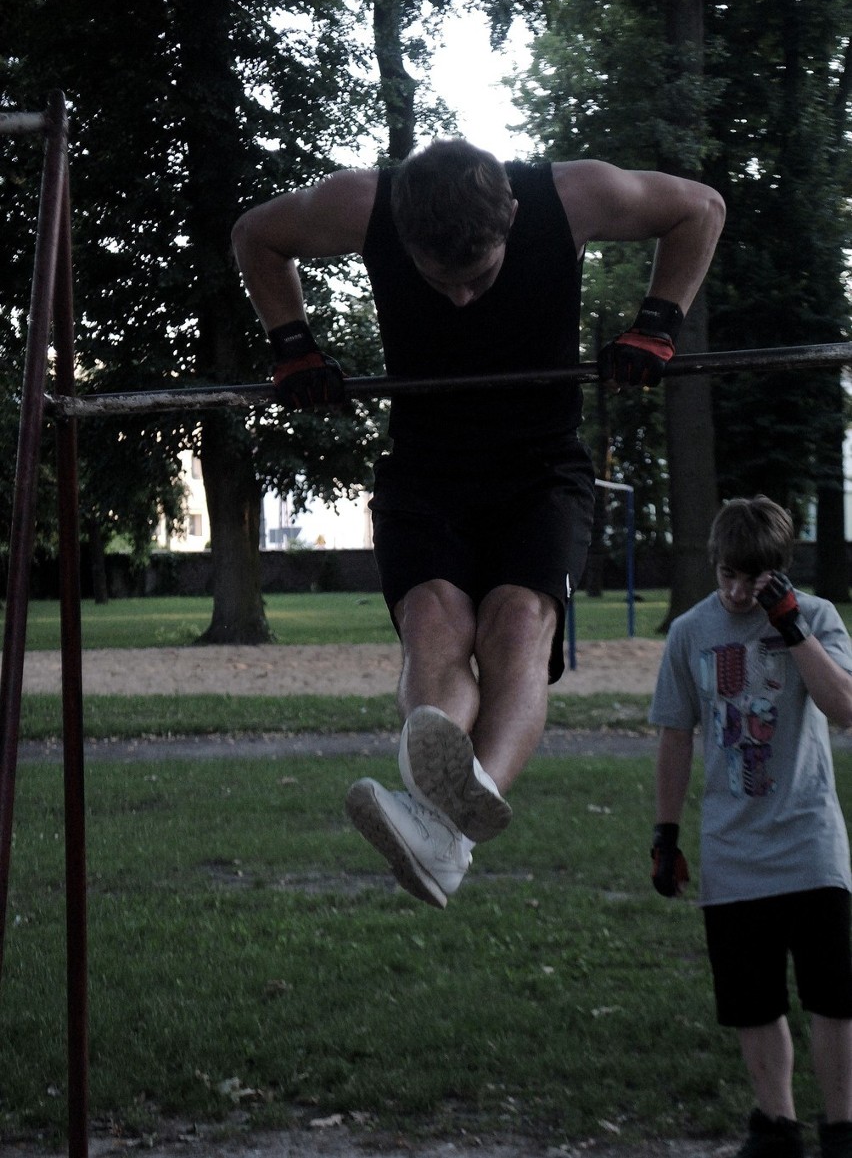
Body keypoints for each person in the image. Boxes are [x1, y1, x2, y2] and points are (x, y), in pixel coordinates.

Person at [231, 137, 725, 909]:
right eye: (440, 281)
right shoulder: (364, 203)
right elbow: (255, 233)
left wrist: (658, 323)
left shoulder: (571, 195)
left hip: (541, 469)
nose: (461, 298)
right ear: (403, 234)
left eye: (480, 277)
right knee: (433, 618)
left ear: (513, 218)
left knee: (518, 623)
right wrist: (292, 344)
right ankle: (445, 831)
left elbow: (700, 208)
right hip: (427, 468)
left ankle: (446, 834)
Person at [650, 495, 852, 1158]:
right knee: (753, 1002)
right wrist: (666, 834)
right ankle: (777, 1124)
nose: (737, 591)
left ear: (779, 570)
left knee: (833, 996)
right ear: (714, 563)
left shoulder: (816, 616)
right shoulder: (689, 633)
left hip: (810, 841)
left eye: (751, 579)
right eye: (727, 575)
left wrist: (791, 626)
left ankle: (842, 1126)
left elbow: (844, 707)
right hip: (732, 851)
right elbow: (676, 736)